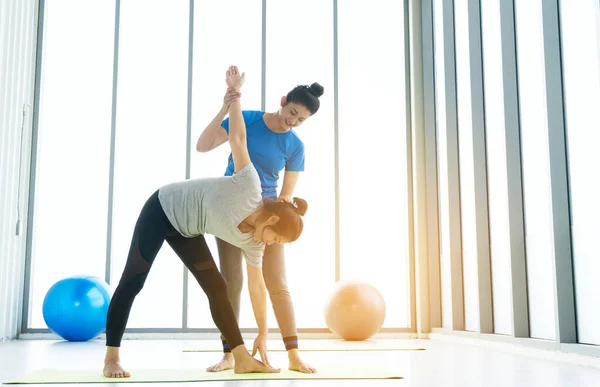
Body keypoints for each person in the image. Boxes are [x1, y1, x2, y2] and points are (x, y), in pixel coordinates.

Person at [102, 65, 308, 378]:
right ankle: (111, 358)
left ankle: (240, 358)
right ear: (272, 218)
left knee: (217, 288)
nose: (270, 244)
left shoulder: (255, 242)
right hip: (163, 208)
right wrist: (235, 96)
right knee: (135, 280)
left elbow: (257, 287)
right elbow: (238, 140)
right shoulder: (249, 185)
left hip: (187, 228)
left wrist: (263, 333)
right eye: (274, 237)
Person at [197, 71, 323, 374]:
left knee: (277, 283)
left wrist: (269, 222)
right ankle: (230, 353)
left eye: (301, 119)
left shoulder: (295, 146)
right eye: (292, 112)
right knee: (232, 283)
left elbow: (286, 194)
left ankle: (293, 354)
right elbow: (203, 146)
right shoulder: (249, 119)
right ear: (283, 102)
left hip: (268, 217)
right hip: (229, 211)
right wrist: (224, 109)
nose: (292, 121)